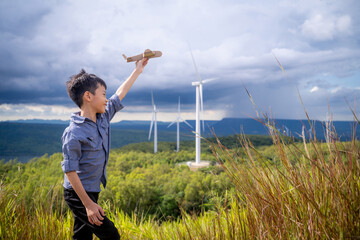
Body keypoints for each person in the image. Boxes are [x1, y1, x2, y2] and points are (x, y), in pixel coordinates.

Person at [61, 58, 149, 240]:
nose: (107, 98)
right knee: (111, 235)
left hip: (92, 189)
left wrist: (138, 70)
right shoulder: (73, 132)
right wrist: (88, 205)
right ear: (88, 96)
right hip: (77, 194)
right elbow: (70, 170)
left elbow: (120, 94)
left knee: (82, 236)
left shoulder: (103, 117)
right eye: (103, 94)